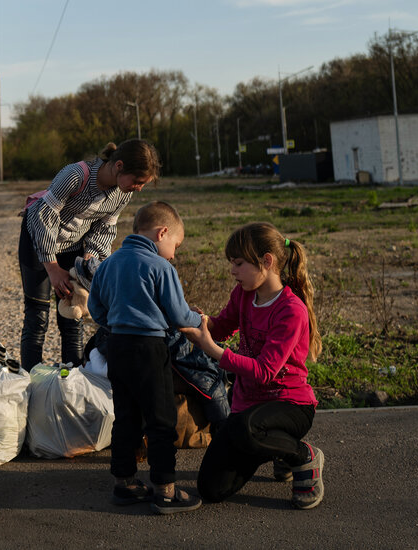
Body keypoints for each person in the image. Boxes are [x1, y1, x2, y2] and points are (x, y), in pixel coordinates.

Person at [179, 222, 325, 510]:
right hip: (249, 409)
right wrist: (200, 322)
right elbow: (220, 328)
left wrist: (211, 349)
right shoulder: (244, 294)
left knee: (247, 430)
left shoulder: (291, 310)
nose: (232, 271)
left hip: (290, 405)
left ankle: (301, 455)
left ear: (266, 262)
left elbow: (264, 371)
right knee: (211, 488)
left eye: (238, 263)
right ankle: (272, 450)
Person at [87, 201, 204, 515]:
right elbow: (178, 314)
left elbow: (95, 308)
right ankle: (165, 488)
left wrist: (114, 321)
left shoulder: (109, 264)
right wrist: (199, 320)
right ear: (162, 232)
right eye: (175, 245)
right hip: (149, 348)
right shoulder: (161, 267)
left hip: (117, 346)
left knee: (126, 416)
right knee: (160, 418)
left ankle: (124, 483)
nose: (174, 254)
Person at [20, 139, 159, 371]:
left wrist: (88, 263)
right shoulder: (76, 175)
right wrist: (53, 268)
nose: (139, 188)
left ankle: (71, 378)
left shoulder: (122, 193)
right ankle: (31, 381)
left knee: (74, 314)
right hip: (39, 240)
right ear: (119, 166)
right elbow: (44, 217)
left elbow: (104, 229)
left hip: (74, 244)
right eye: (138, 181)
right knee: (37, 315)